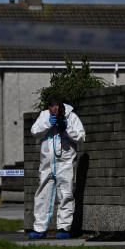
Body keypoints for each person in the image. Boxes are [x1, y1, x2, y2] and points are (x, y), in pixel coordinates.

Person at [28, 99, 85, 240]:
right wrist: (48, 123)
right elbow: (35, 131)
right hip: (47, 163)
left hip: (65, 162)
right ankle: (40, 229)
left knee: (66, 194)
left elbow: (81, 137)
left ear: (61, 107)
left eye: (56, 110)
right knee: (43, 194)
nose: (54, 112)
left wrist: (67, 128)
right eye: (51, 109)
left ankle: (64, 228)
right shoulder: (44, 115)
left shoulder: (71, 116)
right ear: (49, 107)